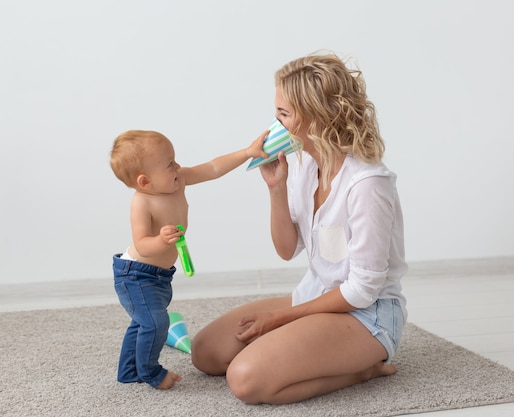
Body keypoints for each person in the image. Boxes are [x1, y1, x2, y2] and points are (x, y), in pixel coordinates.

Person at [191, 52, 408, 404]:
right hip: (317, 297)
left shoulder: (368, 184)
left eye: (284, 114)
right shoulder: (307, 164)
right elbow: (287, 249)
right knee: (206, 352)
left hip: (368, 315)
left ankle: (364, 369)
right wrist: (276, 189)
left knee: (245, 380)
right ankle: (313, 350)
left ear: (316, 118)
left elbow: (362, 291)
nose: (274, 124)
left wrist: (278, 319)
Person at [109, 129, 267, 390]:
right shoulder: (142, 202)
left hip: (158, 275)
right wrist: (160, 239)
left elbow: (213, 168)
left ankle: (128, 371)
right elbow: (142, 245)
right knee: (156, 322)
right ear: (145, 181)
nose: (178, 166)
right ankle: (151, 372)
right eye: (170, 163)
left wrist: (247, 152)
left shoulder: (178, 180)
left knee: (143, 322)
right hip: (135, 274)